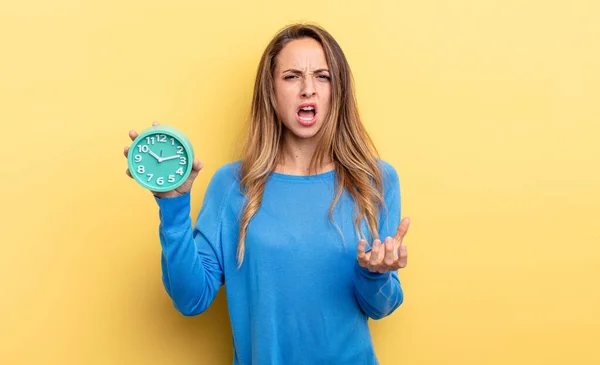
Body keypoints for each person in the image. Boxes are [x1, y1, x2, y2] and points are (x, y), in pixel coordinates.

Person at [124, 23, 410, 365]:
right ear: (271, 93)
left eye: (323, 76)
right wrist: (172, 206)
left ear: (339, 91)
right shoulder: (232, 184)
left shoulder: (375, 181)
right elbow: (191, 298)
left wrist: (374, 274)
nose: (308, 89)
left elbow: (381, 306)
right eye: (291, 76)